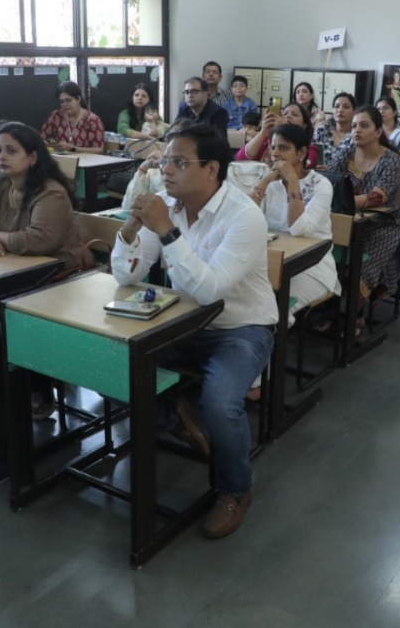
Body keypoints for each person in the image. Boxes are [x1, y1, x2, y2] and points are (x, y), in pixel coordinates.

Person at [110, 123, 276, 539]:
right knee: (112, 363)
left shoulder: (244, 216)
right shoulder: (169, 204)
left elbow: (209, 291)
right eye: (166, 160)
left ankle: (235, 489)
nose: (166, 170)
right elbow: (127, 277)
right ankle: (176, 418)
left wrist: (166, 231)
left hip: (240, 327)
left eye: (179, 162)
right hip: (181, 322)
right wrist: (130, 230)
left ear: (211, 168)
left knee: (220, 402)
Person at [0, 121, 93, 270]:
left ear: (33, 158)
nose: (1, 156)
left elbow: (38, 241)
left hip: (63, 271)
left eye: (11, 151)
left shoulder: (51, 193)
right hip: (15, 267)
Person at [248, 122, 341, 321]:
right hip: (273, 260)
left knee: (272, 307)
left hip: (311, 266)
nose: (275, 153)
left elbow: (299, 228)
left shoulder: (320, 184)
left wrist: (292, 181)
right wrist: (265, 180)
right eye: (273, 147)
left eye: (283, 148)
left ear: (301, 153)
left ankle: (273, 336)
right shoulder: (270, 183)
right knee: (246, 298)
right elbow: (246, 220)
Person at [328, 106, 400, 327]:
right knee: (326, 258)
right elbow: (330, 180)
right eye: (354, 126)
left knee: (363, 264)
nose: (356, 130)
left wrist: (342, 200)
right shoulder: (346, 153)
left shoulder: (391, 159)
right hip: (348, 220)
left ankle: (352, 316)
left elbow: (377, 197)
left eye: (364, 125)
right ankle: (327, 313)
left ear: (378, 131)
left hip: (383, 225)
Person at [236, 102, 319, 167]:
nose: (288, 116)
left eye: (295, 114)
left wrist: (287, 129)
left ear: (304, 125)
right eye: (285, 114)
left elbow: (305, 165)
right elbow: (240, 159)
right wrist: (263, 132)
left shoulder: (309, 147)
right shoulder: (267, 142)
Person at [40, 81, 105, 152]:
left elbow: (99, 150)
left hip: (85, 158)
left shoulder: (92, 120)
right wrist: (47, 143)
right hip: (60, 157)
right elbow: (41, 138)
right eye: (62, 102)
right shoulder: (55, 116)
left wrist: (72, 148)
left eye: (68, 100)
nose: (64, 104)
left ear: (78, 99)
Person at [312, 92, 355, 169]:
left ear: (354, 111)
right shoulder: (322, 130)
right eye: (337, 106)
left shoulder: (356, 135)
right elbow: (312, 156)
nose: (340, 110)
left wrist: (330, 169)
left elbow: (357, 169)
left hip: (344, 176)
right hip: (319, 174)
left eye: (346, 107)